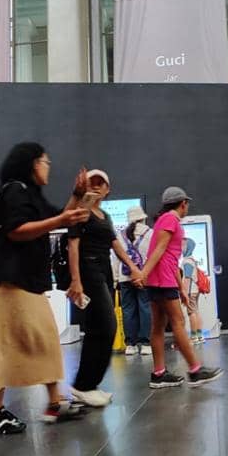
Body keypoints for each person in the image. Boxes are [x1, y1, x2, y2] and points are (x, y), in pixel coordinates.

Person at [0, 142, 92, 433]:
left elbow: (58, 218)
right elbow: (16, 230)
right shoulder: (14, 191)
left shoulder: (30, 195)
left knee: (44, 338)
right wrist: (61, 219)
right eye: (45, 162)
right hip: (3, 279)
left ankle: (54, 400)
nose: (48, 167)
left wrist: (76, 196)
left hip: (22, 280)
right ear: (31, 164)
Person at [65, 170, 145, 407]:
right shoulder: (81, 211)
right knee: (107, 326)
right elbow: (73, 245)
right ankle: (83, 385)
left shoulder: (104, 216)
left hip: (103, 271)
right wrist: (76, 279)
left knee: (99, 329)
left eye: (102, 184)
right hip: (88, 271)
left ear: (108, 189)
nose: (97, 187)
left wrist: (133, 267)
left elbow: (115, 245)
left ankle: (88, 385)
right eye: (93, 183)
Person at [139, 188, 223, 389]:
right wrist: (143, 274)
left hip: (160, 278)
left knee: (158, 326)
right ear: (183, 203)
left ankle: (158, 374)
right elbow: (159, 250)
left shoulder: (163, 219)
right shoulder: (171, 220)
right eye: (187, 204)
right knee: (178, 321)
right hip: (161, 279)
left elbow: (170, 257)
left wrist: (182, 289)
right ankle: (195, 370)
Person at [118, 206, 153, 357]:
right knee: (145, 309)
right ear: (142, 218)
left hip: (124, 277)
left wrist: (115, 279)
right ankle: (145, 344)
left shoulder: (120, 235)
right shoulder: (150, 233)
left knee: (128, 310)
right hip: (144, 276)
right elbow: (153, 257)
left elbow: (115, 258)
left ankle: (130, 345)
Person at [180, 238, 205, 345]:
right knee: (196, 311)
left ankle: (194, 337)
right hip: (196, 290)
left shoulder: (186, 261)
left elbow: (187, 278)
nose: (181, 248)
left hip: (190, 291)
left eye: (183, 245)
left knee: (191, 313)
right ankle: (199, 336)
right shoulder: (192, 260)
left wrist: (183, 292)